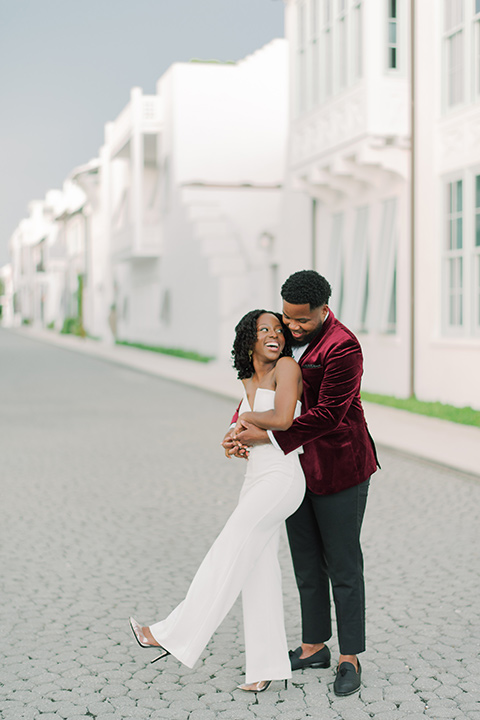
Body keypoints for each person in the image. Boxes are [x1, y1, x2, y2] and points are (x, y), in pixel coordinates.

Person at [130, 310, 305, 692]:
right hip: (256, 477)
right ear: (249, 340)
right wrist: (235, 436)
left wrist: (243, 426)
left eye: (278, 329)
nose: (274, 333)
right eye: (264, 329)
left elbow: (283, 418)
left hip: (281, 478)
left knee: (228, 550)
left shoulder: (288, 367)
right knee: (258, 571)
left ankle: (171, 634)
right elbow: (257, 422)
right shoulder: (249, 379)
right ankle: (266, 667)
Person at [224, 270, 378, 697]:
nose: (291, 328)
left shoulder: (344, 347)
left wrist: (267, 435)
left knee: (343, 565)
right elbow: (264, 387)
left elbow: (329, 413)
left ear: (324, 310)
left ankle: (350, 657)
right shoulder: (285, 336)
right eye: (287, 319)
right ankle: (314, 647)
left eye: (302, 322)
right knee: (306, 564)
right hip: (293, 471)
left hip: (341, 467)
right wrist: (237, 425)